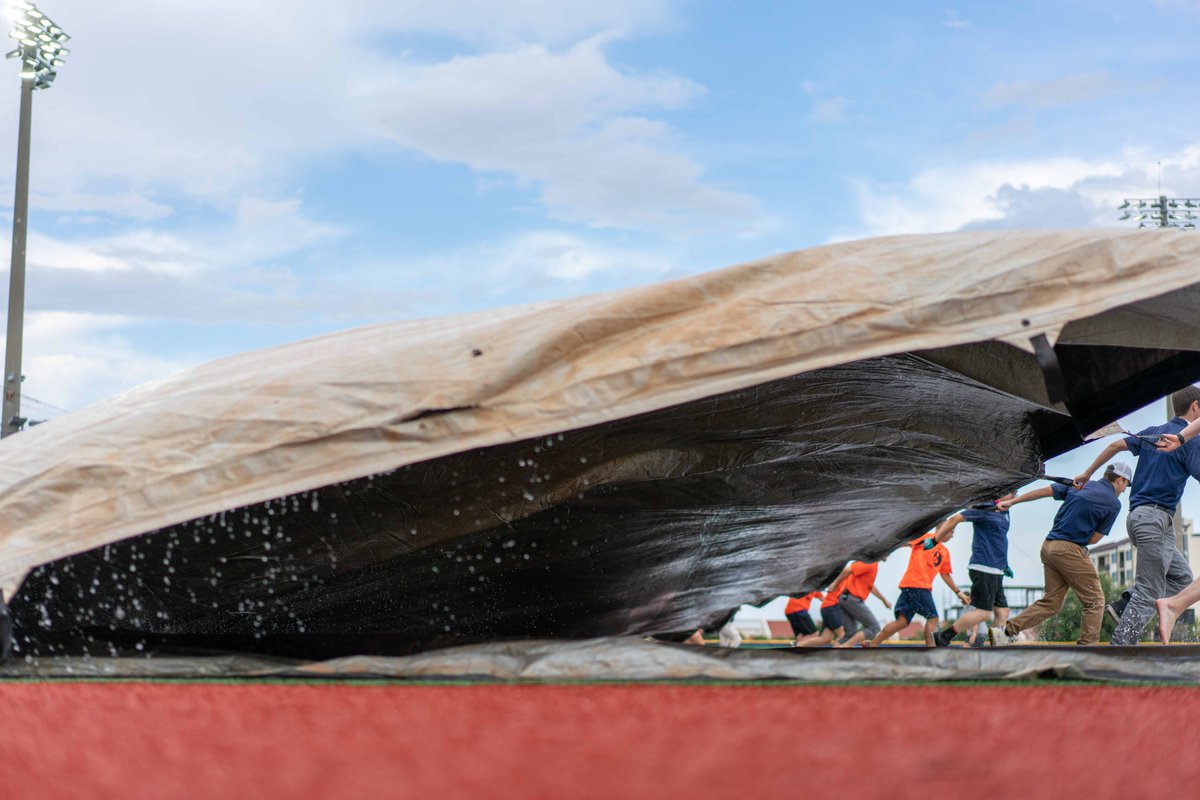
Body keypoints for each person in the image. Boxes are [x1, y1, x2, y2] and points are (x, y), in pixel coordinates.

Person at [1074, 385, 1200, 645]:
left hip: (1141, 520)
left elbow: (1114, 445)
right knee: (1149, 589)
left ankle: (1126, 604)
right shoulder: (1188, 439)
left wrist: (1087, 473)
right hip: (1154, 520)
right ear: (1195, 407)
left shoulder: (1153, 432)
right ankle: (1120, 647)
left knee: (1183, 578)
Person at [990, 464, 1129, 646]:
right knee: (1094, 600)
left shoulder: (1079, 485)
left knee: (1051, 603)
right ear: (1120, 480)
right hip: (1069, 549)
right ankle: (1088, 648)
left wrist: (1012, 502)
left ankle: (1005, 632)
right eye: (1126, 485)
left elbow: (1044, 491)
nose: (1124, 490)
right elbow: (1095, 539)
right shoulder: (1113, 503)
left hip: (1049, 546)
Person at [929, 495, 1015, 647]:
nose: (1014, 495)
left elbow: (999, 539)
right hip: (984, 567)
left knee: (1002, 612)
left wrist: (1005, 564)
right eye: (1011, 492)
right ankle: (944, 636)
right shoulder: (985, 508)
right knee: (983, 613)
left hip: (997, 569)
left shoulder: (1005, 511)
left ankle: (998, 648)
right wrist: (935, 540)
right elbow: (954, 519)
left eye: (1015, 493)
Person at [862, 531, 969, 648]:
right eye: (951, 532)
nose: (952, 536)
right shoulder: (927, 537)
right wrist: (883, 548)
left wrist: (958, 592)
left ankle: (873, 643)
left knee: (902, 622)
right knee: (933, 618)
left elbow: (945, 574)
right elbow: (905, 542)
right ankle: (931, 648)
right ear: (945, 528)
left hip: (909, 587)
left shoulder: (945, 552)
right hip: (919, 586)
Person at [829, 560, 891, 648]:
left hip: (845, 599)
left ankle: (834, 653)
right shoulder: (870, 562)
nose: (889, 555)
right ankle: (845, 646)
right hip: (852, 599)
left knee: (850, 633)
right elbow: (848, 569)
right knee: (873, 628)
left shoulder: (872, 565)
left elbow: (870, 586)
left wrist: (884, 600)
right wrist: (834, 584)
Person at [793, 579, 847, 647]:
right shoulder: (845, 578)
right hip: (831, 608)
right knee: (842, 636)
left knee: (826, 639)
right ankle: (838, 653)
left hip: (828, 608)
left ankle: (799, 645)